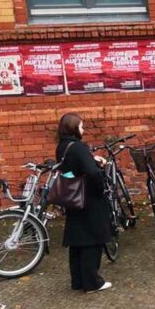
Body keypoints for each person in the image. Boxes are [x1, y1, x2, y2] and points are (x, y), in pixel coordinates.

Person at [56, 112, 112, 293]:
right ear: (74, 128)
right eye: (81, 126)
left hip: (71, 195)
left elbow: (72, 166)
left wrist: (91, 159)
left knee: (77, 239)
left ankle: (78, 280)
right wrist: (99, 188)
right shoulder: (79, 147)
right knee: (92, 239)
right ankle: (92, 282)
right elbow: (93, 173)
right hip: (88, 197)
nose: (83, 129)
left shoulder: (62, 147)